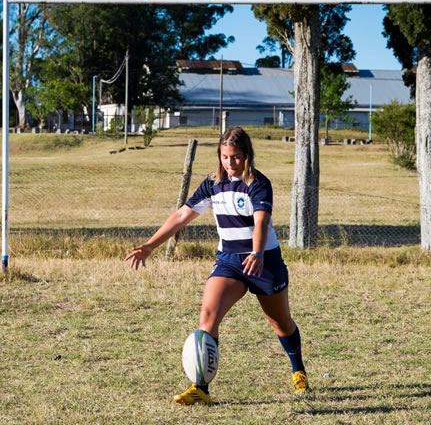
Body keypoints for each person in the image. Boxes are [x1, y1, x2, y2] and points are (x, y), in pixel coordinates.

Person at [125, 127, 308, 405]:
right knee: (208, 318)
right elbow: (182, 215)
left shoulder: (258, 184)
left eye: (235, 157)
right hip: (230, 262)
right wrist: (151, 245)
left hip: (263, 261)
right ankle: (201, 388)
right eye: (224, 156)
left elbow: (261, 222)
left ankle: (298, 371)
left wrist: (257, 253)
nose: (230, 163)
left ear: (247, 156)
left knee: (279, 322)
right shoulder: (213, 184)